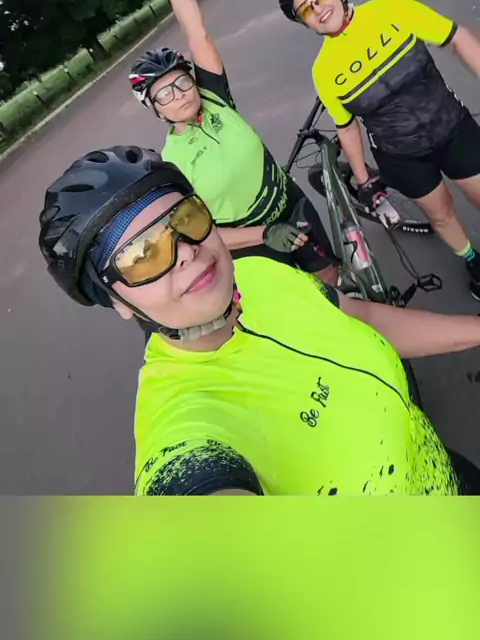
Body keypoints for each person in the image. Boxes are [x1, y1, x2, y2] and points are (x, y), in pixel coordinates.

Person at [39, 144, 480, 495]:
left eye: (186, 219)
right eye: (142, 255)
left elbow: (360, 317)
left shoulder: (257, 274)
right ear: (118, 301)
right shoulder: (186, 422)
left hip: (446, 472)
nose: (187, 251)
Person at [125, 0, 338, 286]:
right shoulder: (172, 164)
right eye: (164, 95)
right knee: (305, 302)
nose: (179, 95)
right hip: (255, 243)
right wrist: (263, 235)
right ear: (156, 110)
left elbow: (195, 29)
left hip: (291, 204)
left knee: (332, 280)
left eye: (182, 82)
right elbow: (201, 231)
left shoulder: (215, 99)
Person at [278, 0, 480, 299]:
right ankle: (472, 259)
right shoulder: (324, 70)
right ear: (305, 22)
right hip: (400, 155)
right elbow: (347, 126)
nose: (319, 9)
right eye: (307, 10)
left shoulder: (390, 8)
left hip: (451, 126)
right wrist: (363, 181)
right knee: (440, 214)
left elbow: (456, 37)